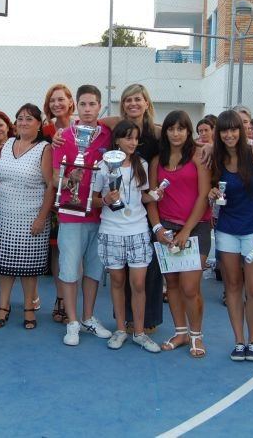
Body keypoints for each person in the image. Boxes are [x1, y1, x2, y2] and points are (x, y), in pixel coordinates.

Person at [208, 110, 253, 362]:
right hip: (227, 230)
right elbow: (211, 191)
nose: (229, 135)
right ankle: (239, 341)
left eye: (233, 129)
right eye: (224, 130)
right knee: (233, 286)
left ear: (242, 130)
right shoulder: (216, 158)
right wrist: (212, 194)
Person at [147, 110, 212, 357]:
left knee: (190, 286)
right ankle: (181, 332)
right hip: (166, 229)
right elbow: (152, 198)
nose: (176, 134)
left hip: (196, 228)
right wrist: (158, 228)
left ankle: (196, 335)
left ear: (188, 131)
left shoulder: (198, 156)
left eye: (181, 129)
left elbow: (204, 196)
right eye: (171, 129)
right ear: (165, 132)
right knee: (172, 283)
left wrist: (185, 231)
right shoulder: (157, 161)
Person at [100, 84, 163, 334]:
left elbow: (186, 140)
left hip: (144, 212)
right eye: (128, 100)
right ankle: (123, 321)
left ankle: (146, 321)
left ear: (147, 102)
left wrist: (207, 145)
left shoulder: (157, 132)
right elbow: (91, 122)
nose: (133, 104)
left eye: (138, 99)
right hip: (116, 218)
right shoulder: (116, 125)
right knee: (119, 276)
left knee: (147, 273)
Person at [53, 85, 113, 346]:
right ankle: (72, 321)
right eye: (83, 104)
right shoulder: (64, 137)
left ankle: (88, 317)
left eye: (92, 104)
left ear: (100, 106)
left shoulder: (108, 135)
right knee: (69, 269)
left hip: (101, 215)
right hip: (71, 214)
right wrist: (70, 180)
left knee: (93, 270)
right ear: (76, 106)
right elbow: (54, 178)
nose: (87, 109)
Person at [0, 104, 53, 330]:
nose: (23, 122)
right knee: (3, 265)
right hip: (4, 216)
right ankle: (3, 307)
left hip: (31, 217)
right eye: (20, 118)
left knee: (29, 268)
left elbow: (50, 186)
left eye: (29, 119)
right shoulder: (7, 144)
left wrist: (42, 218)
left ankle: (29, 309)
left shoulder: (44, 148)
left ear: (39, 124)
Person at [94, 120, 159, 352]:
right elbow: (94, 200)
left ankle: (139, 332)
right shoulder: (103, 166)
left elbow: (142, 197)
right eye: (128, 137)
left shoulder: (142, 164)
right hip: (111, 231)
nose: (133, 142)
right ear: (117, 140)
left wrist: (156, 195)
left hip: (138, 230)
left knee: (138, 283)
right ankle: (121, 329)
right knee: (117, 282)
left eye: (136, 138)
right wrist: (105, 200)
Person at [41, 84, 75, 322]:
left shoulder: (84, 126)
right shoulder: (46, 131)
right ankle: (60, 298)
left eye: (61, 99)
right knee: (57, 250)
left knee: (75, 252)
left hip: (81, 199)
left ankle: (74, 302)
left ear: (70, 101)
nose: (57, 104)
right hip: (54, 199)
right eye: (52, 100)